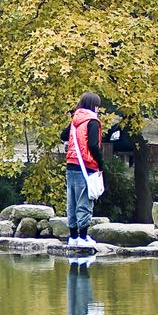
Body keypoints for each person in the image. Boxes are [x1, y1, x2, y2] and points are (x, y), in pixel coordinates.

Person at [60, 92, 104, 247]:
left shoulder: (75, 120)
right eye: (97, 105)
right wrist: (101, 163)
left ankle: (73, 237)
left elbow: (63, 135)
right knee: (85, 201)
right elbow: (93, 145)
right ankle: (84, 238)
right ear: (93, 105)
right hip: (86, 166)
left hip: (71, 165)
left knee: (71, 202)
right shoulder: (92, 121)